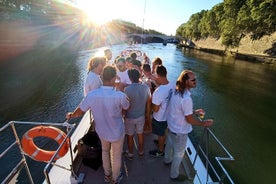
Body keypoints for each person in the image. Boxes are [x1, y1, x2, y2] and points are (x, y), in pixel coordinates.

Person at [66, 66, 130, 184]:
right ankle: (115, 179)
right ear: (114, 78)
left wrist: (71, 115)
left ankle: (107, 176)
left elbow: (80, 110)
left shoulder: (92, 95)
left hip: (102, 132)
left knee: (105, 152)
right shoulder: (119, 95)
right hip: (117, 132)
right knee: (116, 157)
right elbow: (127, 106)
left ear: (102, 77)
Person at [164, 70, 214, 181]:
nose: (196, 81)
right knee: (179, 154)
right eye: (193, 80)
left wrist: (194, 112)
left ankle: (167, 160)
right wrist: (204, 123)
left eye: (195, 79)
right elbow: (189, 120)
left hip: (172, 126)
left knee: (169, 145)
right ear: (186, 81)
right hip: (180, 132)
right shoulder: (186, 99)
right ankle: (174, 175)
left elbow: (180, 110)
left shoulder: (176, 91)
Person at [124, 69, 151, 159]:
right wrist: (147, 116)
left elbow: (125, 105)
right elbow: (148, 103)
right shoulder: (146, 88)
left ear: (130, 78)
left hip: (129, 117)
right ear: (139, 77)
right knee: (140, 134)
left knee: (130, 136)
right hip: (141, 116)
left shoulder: (126, 90)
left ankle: (131, 153)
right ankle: (140, 151)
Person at [149, 65, 174, 157]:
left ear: (158, 76)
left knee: (161, 134)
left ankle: (160, 151)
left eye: (155, 75)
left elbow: (155, 109)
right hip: (167, 116)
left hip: (159, 118)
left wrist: (150, 106)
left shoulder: (158, 91)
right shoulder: (171, 85)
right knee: (163, 131)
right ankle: (161, 142)